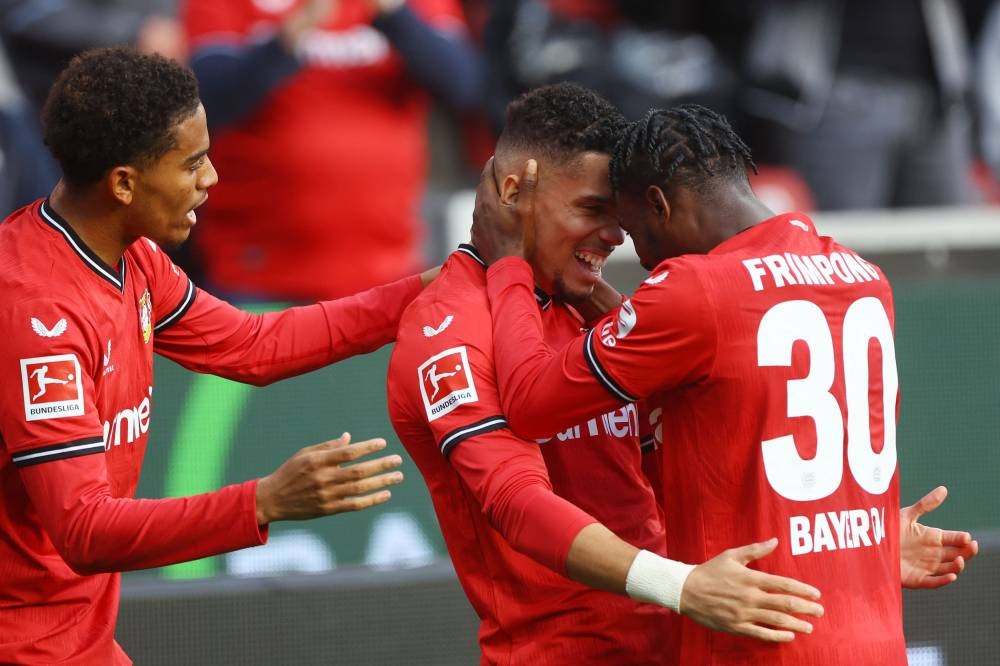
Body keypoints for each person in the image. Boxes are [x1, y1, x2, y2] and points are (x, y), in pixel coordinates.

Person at [472, 103, 979, 664]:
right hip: (876, 640)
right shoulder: (863, 278)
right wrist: (870, 543)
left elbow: (530, 402)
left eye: (636, 234)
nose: (645, 260)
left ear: (659, 205)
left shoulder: (694, 289)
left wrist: (510, 260)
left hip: (759, 647)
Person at [0, 47, 437, 665]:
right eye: (192, 163)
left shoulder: (134, 257)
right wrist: (263, 501)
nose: (211, 179)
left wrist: (426, 291)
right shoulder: (36, 315)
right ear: (124, 183)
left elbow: (253, 345)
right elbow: (85, 531)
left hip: (77, 638)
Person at [183, 0, 483, 301]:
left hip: (386, 273)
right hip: (258, 275)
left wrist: (392, 12)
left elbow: (462, 84)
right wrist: (297, 29)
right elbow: (208, 99)